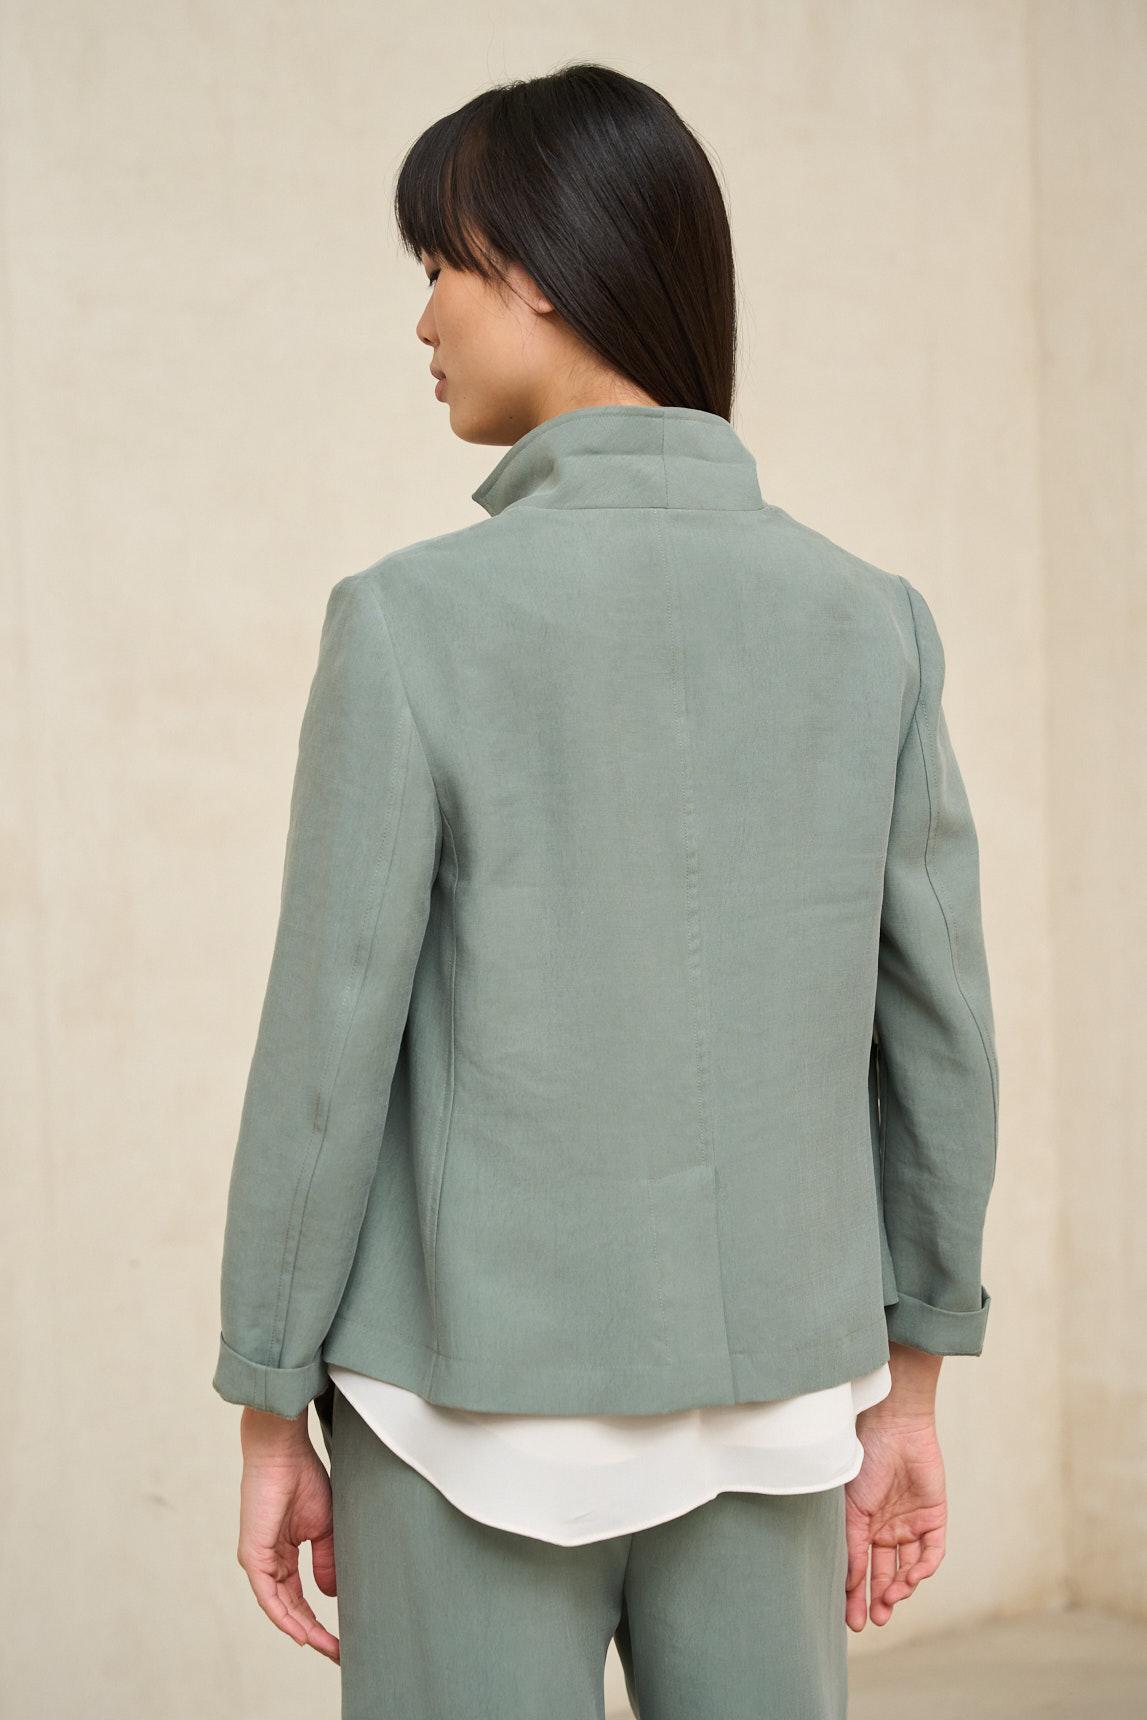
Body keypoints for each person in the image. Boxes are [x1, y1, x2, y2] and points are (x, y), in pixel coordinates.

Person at [212, 62, 1000, 1719]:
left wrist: (270, 1400)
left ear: (539, 266)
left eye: (441, 264)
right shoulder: (873, 622)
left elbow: (327, 1058)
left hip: (463, 1406)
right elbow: (941, 1039)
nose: (424, 318)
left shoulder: (411, 621)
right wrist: (913, 1379)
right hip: (781, 1404)